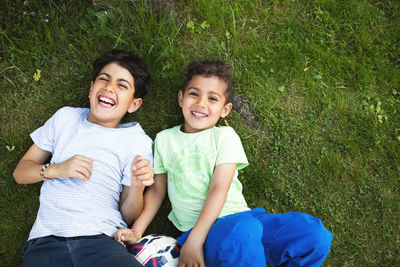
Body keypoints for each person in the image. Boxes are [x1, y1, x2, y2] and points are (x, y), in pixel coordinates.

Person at [114, 59, 333, 266]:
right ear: (181, 99)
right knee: (243, 232)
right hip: (209, 235)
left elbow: (220, 187)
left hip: (245, 221)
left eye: (212, 98)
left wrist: (195, 241)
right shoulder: (164, 140)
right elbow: (156, 193)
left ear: (225, 109)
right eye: (194, 94)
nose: (201, 103)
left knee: (314, 235)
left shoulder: (225, 136)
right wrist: (137, 231)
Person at [13, 50, 155, 267]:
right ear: (91, 89)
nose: (109, 88)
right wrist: (57, 169)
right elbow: (20, 173)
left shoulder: (136, 141)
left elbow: (127, 216)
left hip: (103, 242)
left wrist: (136, 188)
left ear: (134, 105)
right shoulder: (66, 118)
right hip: (46, 241)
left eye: (122, 85)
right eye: (104, 79)